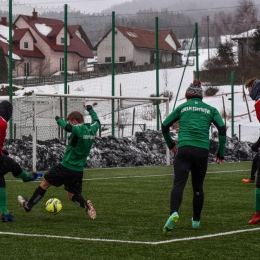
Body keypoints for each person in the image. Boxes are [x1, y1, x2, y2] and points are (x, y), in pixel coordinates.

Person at [161, 79, 226, 233]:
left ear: (188, 96)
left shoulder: (182, 107)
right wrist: (220, 151)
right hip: (202, 151)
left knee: (179, 184)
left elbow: (164, 126)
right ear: (201, 97)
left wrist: (170, 143)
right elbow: (222, 129)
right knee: (197, 186)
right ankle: (196, 220)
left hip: (184, 150)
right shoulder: (210, 109)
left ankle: (174, 212)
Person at [18, 105, 100, 219]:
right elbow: (97, 121)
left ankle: (28, 205)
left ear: (75, 122)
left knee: (45, 184)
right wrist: (90, 110)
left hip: (66, 166)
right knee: (72, 195)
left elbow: (67, 127)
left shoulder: (79, 129)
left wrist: (58, 119)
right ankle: (85, 205)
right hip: (78, 170)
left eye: (71, 123)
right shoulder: (92, 128)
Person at [0, 100, 42, 222]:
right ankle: (26, 177)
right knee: (10, 164)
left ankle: (5, 213)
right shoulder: (2, 123)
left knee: (0, 178)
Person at [245, 77, 260, 224]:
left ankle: (258, 214)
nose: (249, 94)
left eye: (250, 90)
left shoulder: (259, 103)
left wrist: (256, 144)